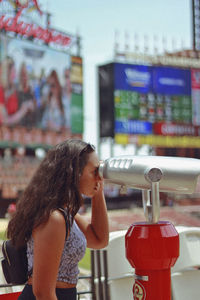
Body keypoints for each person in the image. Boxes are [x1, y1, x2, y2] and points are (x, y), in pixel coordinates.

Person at [7, 139, 109, 300]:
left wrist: (99, 189)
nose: (98, 177)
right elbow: (43, 292)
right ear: (75, 172)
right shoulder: (53, 218)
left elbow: (99, 239)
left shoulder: (65, 212)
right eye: (94, 171)